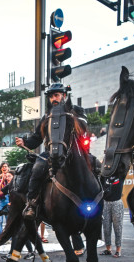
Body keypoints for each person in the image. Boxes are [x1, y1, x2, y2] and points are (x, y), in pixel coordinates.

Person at [18, 83, 86, 220]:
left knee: (95, 165)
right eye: (51, 96)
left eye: (56, 95)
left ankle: (100, 198)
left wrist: (71, 117)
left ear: (64, 96)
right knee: (37, 168)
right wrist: (24, 142)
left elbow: (84, 127)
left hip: (74, 152)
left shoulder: (76, 110)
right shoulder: (46, 116)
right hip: (51, 153)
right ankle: (32, 203)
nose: (53, 99)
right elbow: (37, 137)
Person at [0, 163, 12, 234]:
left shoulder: (11, 176)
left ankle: (9, 235)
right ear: (1, 169)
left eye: (6, 166)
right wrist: (0, 179)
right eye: (2, 167)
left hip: (7, 199)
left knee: (8, 219)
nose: (4, 168)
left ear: (8, 168)